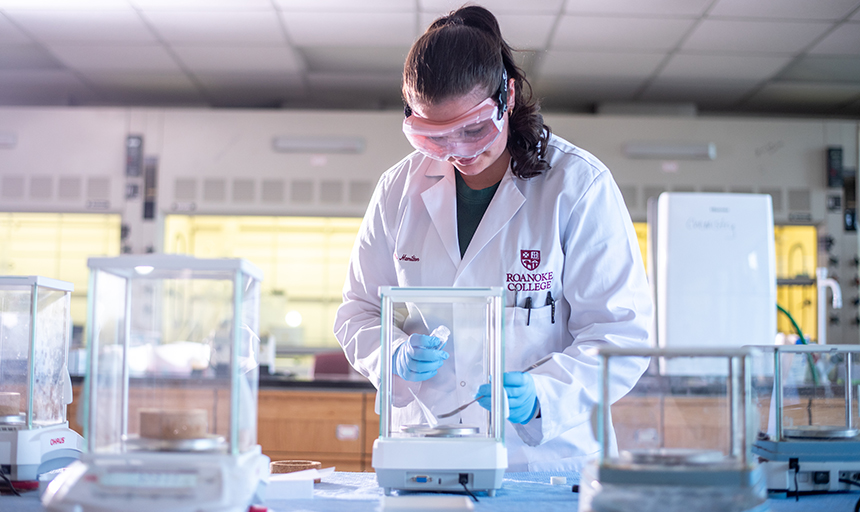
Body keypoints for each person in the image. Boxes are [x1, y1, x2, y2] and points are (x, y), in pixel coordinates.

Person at [333, 5, 652, 472]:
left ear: (507, 96)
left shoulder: (578, 186)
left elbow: (620, 333)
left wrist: (545, 394)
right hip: (426, 450)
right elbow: (357, 311)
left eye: (474, 130)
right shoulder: (397, 190)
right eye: (431, 137)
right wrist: (391, 353)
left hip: (542, 462)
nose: (457, 152)